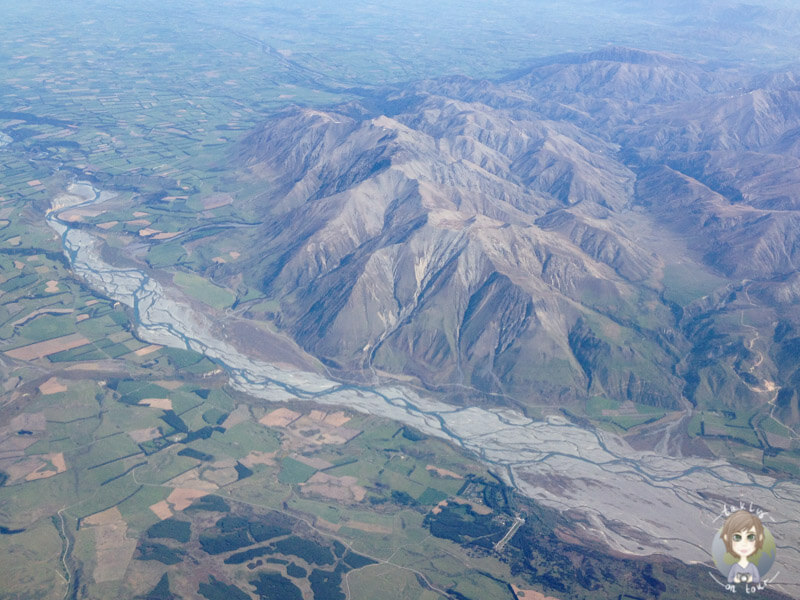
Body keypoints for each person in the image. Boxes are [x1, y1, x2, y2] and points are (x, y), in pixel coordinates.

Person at [721, 510, 764, 584]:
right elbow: (729, 579)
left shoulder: (752, 567)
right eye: (737, 537)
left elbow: (757, 579)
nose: (744, 543)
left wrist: (750, 578)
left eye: (750, 537)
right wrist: (735, 579)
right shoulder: (735, 567)